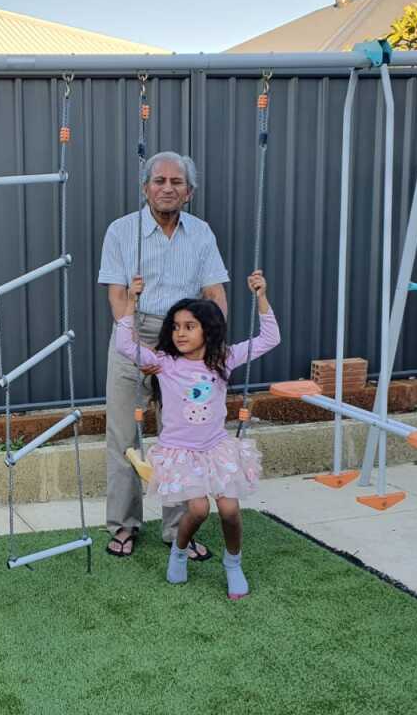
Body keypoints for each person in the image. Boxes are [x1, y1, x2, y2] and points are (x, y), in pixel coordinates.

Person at [115, 270, 279, 599]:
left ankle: (233, 564)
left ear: (209, 330)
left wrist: (261, 297)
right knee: (199, 509)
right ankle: (179, 551)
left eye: (189, 326)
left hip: (216, 448)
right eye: (175, 327)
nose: (180, 333)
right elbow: (123, 344)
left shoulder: (224, 359)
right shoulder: (164, 363)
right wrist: (132, 303)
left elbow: (269, 339)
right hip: (180, 452)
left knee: (230, 511)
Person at [98, 151, 230, 559]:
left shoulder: (202, 233)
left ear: (188, 193)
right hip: (133, 330)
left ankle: (178, 530)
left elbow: (215, 293)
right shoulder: (121, 231)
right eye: (159, 181)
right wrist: (135, 345)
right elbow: (118, 295)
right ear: (145, 188)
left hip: (186, 335)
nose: (167, 188)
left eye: (177, 182)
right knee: (124, 434)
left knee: (181, 438)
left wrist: (209, 344)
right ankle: (123, 526)